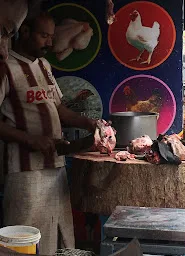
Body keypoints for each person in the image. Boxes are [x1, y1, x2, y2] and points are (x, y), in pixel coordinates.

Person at [0, 12, 97, 254]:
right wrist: (30, 139)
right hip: (24, 169)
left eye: (52, 37)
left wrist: (89, 123)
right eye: (44, 36)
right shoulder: (5, 68)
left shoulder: (44, 66)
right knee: (24, 235)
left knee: (55, 232)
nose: (50, 43)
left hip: (55, 165)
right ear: (24, 32)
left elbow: (58, 108)